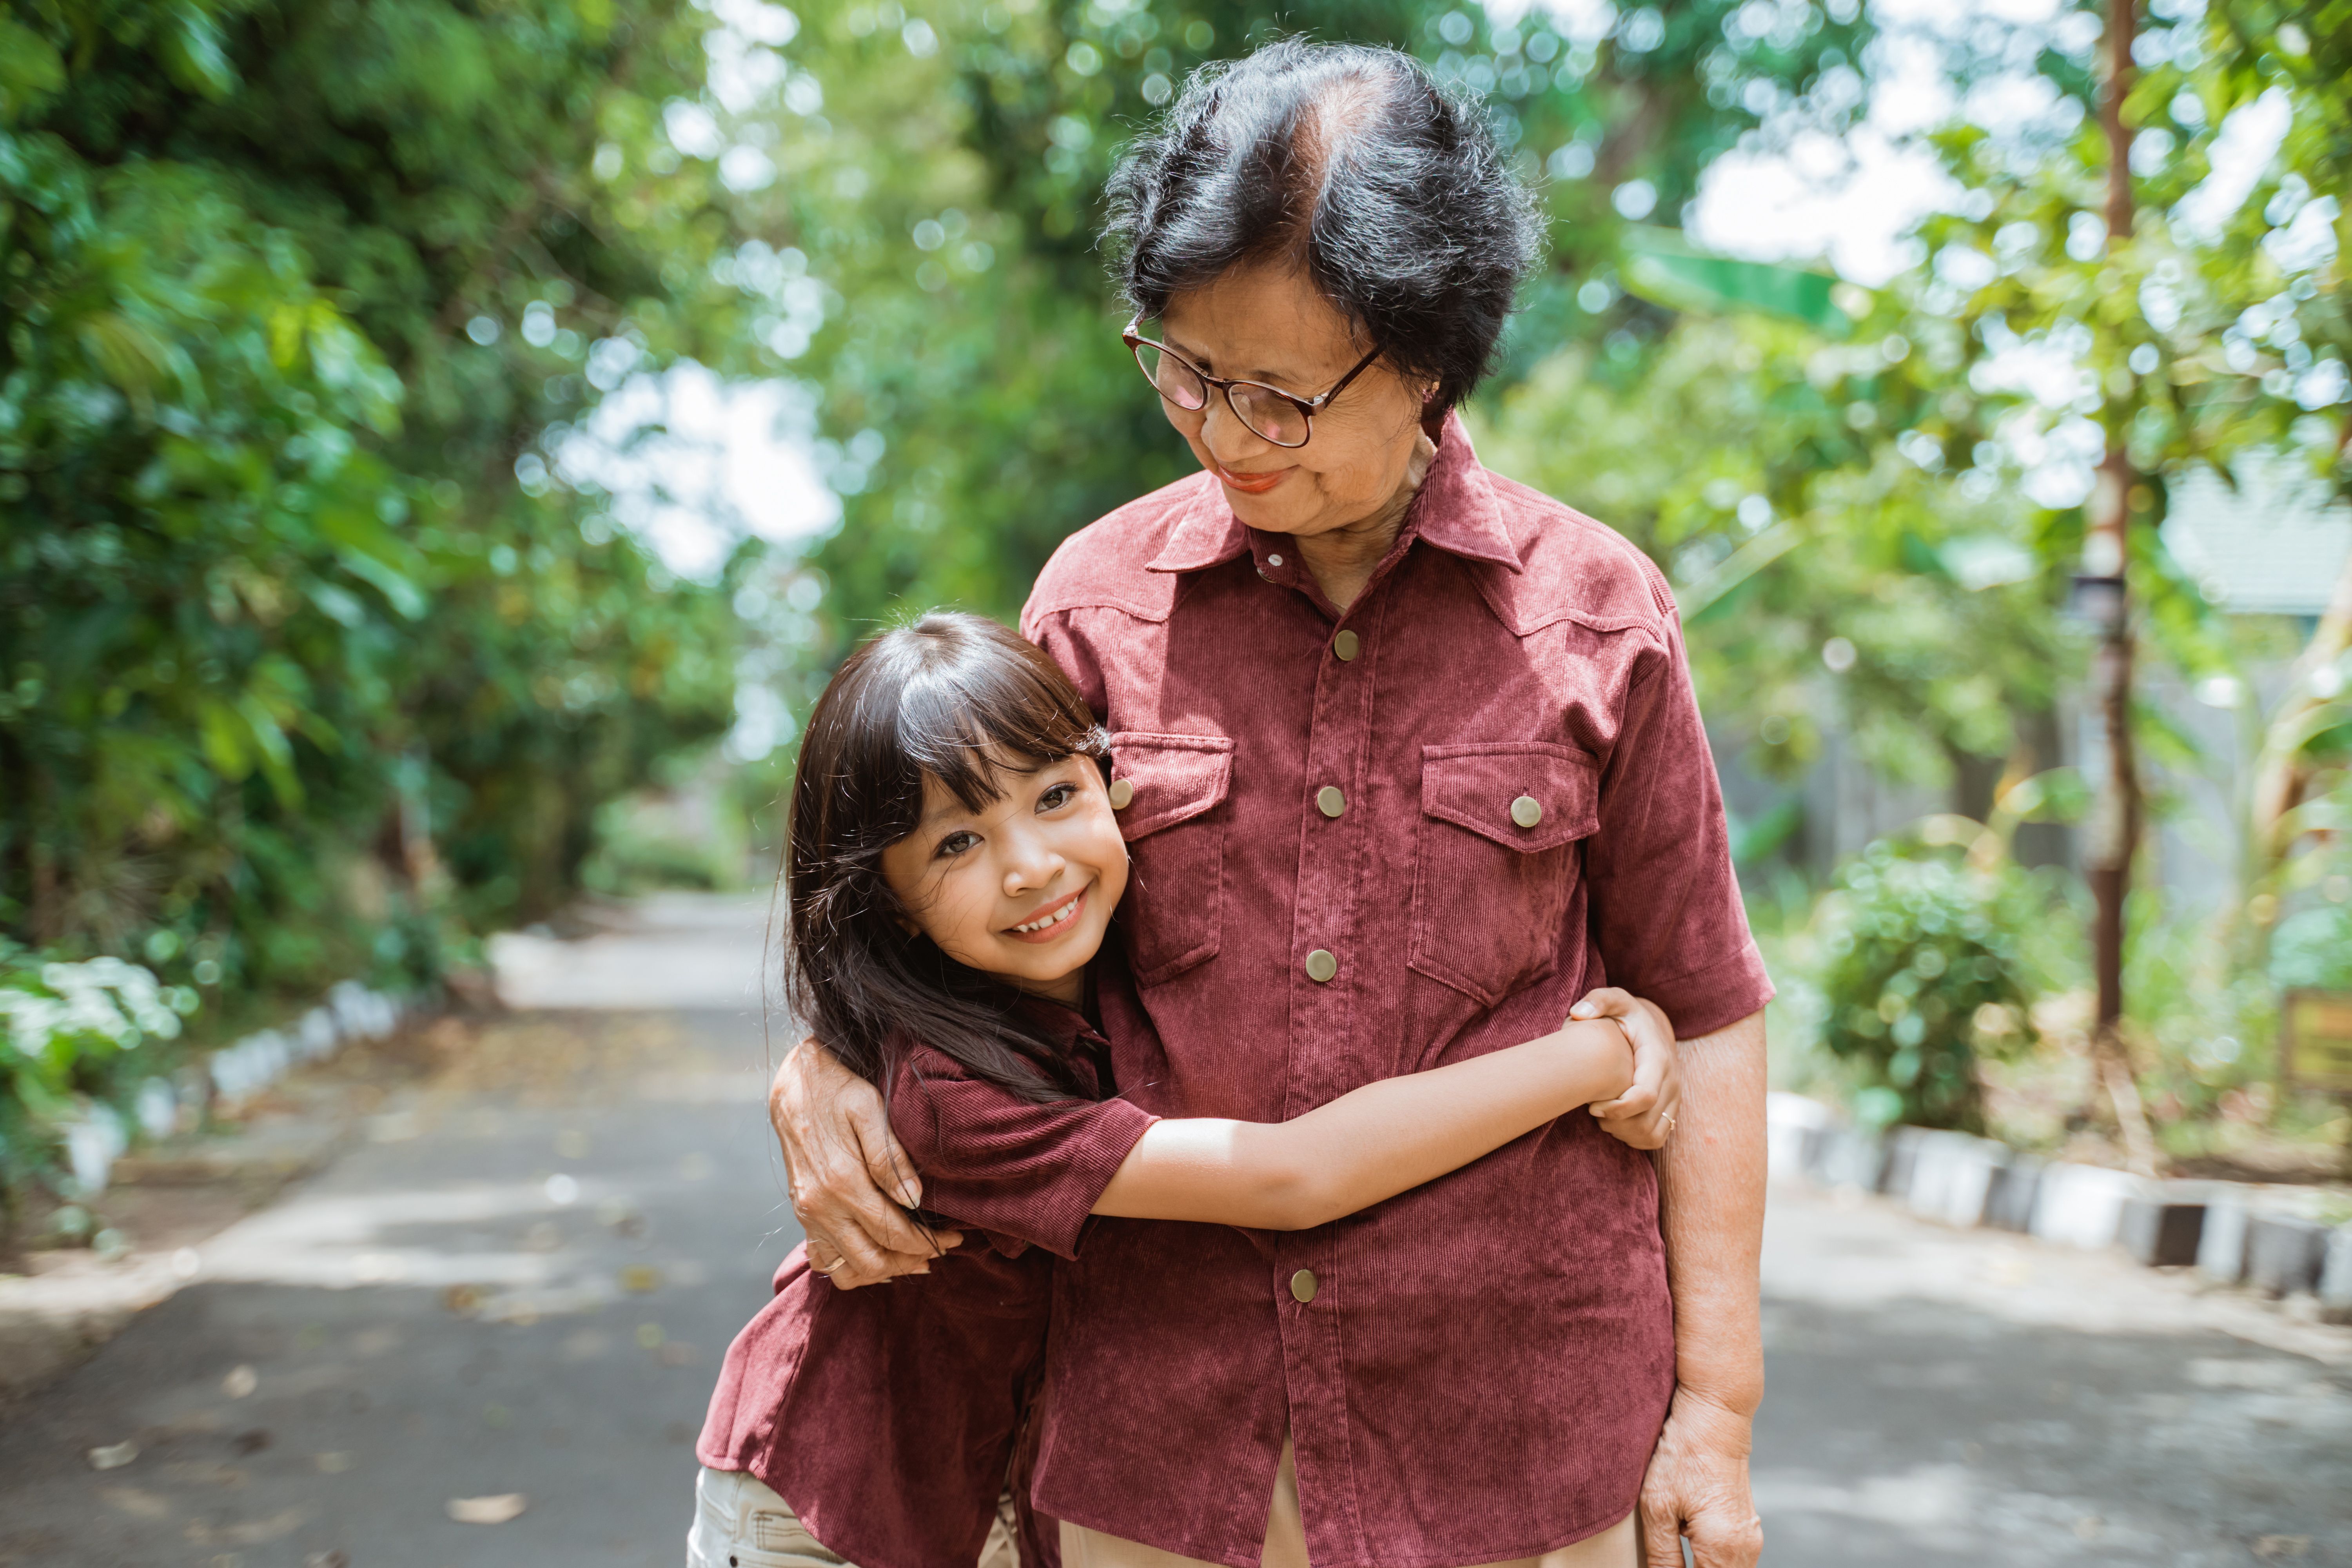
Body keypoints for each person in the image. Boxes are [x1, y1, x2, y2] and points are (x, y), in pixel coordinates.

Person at [773, 38, 1773, 1568]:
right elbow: (967, 914)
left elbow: (1704, 1006)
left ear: (1433, 357)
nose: (1224, 433)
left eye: (1281, 395)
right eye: (1184, 368)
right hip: (1160, 1452)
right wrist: (834, 1063)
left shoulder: (1599, 614)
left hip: (1516, 1440)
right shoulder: (1096, 601)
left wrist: (1717, 1406)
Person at [693, 613, 1677, 1568]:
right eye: (957, 844)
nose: (1032, 867)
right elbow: (1292, 1175)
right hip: (822, 1515)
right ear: (889, 902)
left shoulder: (1113, 968)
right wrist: (1593, 1054)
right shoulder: (951, 1094)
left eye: (1054, 797)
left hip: (982, 1484)